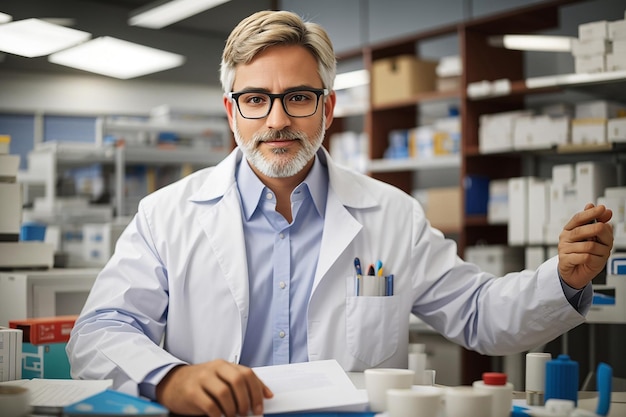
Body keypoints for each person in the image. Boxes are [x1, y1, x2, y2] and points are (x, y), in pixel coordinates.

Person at [66, 9, 614, 417]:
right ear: (231, 111)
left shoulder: (391, 214)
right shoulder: (168, 215)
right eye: (256, 99)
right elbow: (100, 331)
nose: (277, 119)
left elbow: (478, 313)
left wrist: (562, 279)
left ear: (328, 106)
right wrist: (169, 380)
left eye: (298, 97)